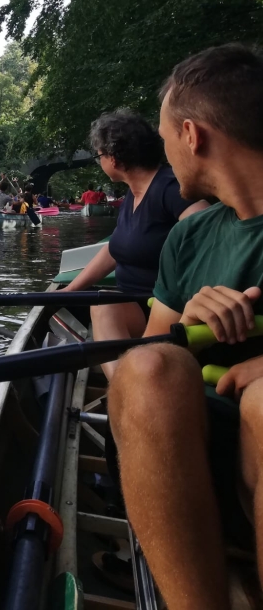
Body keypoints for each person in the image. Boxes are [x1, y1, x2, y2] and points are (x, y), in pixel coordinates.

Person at [109, 44, 263, 610]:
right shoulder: (190, 237)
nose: (165, 149)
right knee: (149, 365)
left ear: (191, 135)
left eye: (166, 134)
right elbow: (149, 358)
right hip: (193, 452)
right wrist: (184, 327)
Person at [64, 109, 207, 376]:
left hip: (165, 309)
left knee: (103, 305)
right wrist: (71, 288)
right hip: (134, 305)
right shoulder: (133, 193)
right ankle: (125, 383)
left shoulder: (169, 187)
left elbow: (207, 234)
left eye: (99, 156)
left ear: (114, 159)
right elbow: (116, 248)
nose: (99, 162)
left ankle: (124, 391)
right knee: (95, 304)